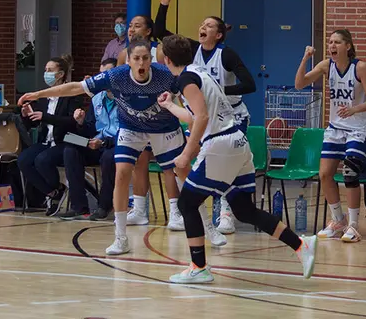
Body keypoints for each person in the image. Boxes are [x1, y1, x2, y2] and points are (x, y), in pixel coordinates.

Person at [19, 38, 226, 255]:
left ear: (151, 59)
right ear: (128, 60)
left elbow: (190, 103)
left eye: (145, 58)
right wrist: (38, 94)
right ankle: (120, 238)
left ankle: (209, 228)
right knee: (122, 173)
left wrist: (193, 127)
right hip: (131, 127)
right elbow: (75, 87)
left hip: (164, 127)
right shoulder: (115, 76)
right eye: (136, 58)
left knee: (182, 171)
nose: (141, 63)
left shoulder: (165, 75)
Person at [157, 34, 316, 283]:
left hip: (221, 144)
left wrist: (186, 154)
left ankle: (198, 267)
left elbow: (201, 118)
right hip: (237, 142)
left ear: (166, 59)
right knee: (243, 210)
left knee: (187, 203)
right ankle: (300, 245)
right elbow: (194, 116)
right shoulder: (199, 72)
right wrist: (170, 107)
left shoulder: (187, 78)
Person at [152, 0, 256, 234]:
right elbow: (159, 33)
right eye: (202, 24)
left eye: (209, 25)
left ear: (218, 34)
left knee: (223, 165)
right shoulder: (193, 50)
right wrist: (164, 4)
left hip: (232, 117)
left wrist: (222, 91)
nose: (202, 27)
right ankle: (190, 210)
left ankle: (226, 213)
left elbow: (250, 84)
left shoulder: (227, 54)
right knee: (182, 162)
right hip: (204, 117)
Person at [294, 30, 366, 242]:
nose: (332, 46)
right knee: (324, 174)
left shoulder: (360, 67)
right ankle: (337, 219)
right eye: (330, 42)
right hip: (336, 128)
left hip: (358, 127)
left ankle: (353, 225)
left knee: (350, 173)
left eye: (337, 42)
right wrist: (305, 58)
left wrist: (354, 109)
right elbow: (299, 84)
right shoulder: (325, 66)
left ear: (347, 46)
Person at [116, 14, 184, 231]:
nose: (130, 29)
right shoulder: (122, 55)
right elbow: (117, 84)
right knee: (138, 164)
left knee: (169, 167)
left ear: (147, 31)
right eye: (129, 26)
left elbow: (174, 81)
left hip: (162, 118)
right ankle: (140, 210)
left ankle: (175, 212)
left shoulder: (160, 52)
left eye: (137, 26)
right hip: (136, 120)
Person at [16, 54, 83, 216]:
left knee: (42, 160)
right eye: (45, 70)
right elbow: (35, 122)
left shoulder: (72, 94)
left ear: (60, 75)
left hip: (66, 140)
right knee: (23, 160)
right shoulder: (44, 96)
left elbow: (72, 122)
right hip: (46, 140)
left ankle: (56, 192)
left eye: (50, 70)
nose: (46, 73)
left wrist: (44, 116)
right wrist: (26, 115)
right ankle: (54, 192)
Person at [57, 58, 120, 220]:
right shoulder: (97, 98)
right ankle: (79, 206)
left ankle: (104, 206)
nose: (102, 78)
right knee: (71, 150)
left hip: (118, 144)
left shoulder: (126, 99)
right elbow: (91, 127)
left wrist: (105, 142)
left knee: (108, 157)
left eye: (106, 74)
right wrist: (80, 123)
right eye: (100, 74)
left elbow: (128, 131)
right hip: (96, 143)